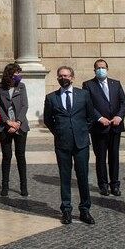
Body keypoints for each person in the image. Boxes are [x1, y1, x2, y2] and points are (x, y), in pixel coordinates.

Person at [44, 66, 99, 225]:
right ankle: (66, 210)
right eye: (60, 76)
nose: (63, 78)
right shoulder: (51, 98)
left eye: (66, 75)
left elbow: (91, 116)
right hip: (62, 143)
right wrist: (59, 132)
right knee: (65, 177)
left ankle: (85, 210)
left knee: (83, 177)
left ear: (72, 77)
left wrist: (82, 130)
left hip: (81, 142)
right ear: (57, 78)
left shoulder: (84, 95)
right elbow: (48, 120)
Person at [82, 59, 125, 197]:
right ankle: (103, 185)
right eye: (98, 68)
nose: (101, 69)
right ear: (94, 70)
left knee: (114, 156)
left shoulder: (116, 84)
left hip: (115, 126)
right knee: (101, 157)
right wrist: (99, 118)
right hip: (99, 127)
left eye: (103, 67)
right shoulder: (88, 85)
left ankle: (115, 184)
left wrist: (119, 116)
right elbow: (88, 104)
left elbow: (123, 102)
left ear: (107, 69)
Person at [0, 63, 30, 197]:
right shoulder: (0, 86)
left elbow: (25, 105)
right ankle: (5, 186)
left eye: (19, 73)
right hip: (4, 126)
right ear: (10, 74)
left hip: (20, 126)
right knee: (6, 156)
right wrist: (8, 122)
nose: (19, 75)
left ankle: (23, 186)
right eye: (16, 73)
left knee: (21, 156)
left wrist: (18, 123)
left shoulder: (21, 86)